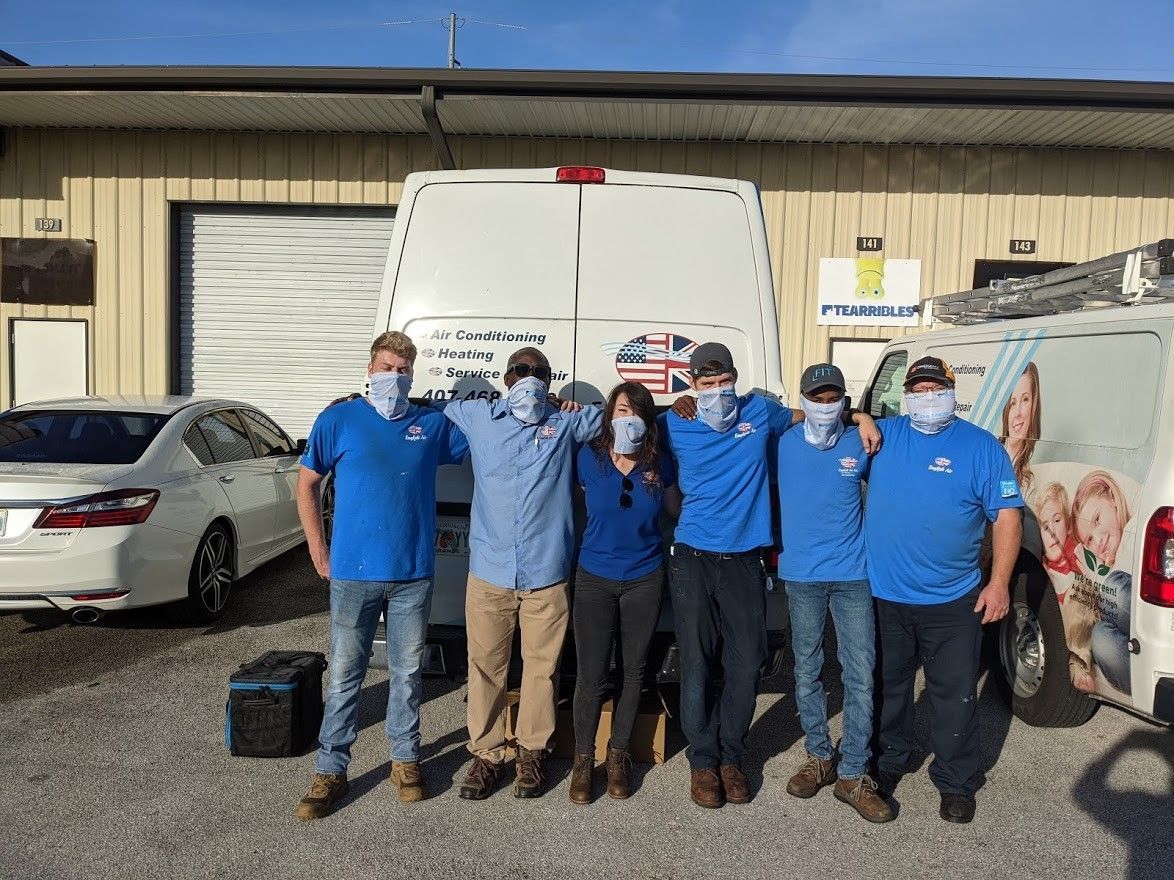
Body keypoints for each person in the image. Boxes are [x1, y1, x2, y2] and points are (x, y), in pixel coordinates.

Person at [662, 343, 880, 809]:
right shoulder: (675, 421)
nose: (717, 392)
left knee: (746, 665)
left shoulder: (761, 411)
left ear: (735, 378)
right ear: (692, 384)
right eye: (706, 385)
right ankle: (703, 763)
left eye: (724, 383)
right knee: (697, 663)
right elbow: (636, 447)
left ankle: (731, 757)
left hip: (744, 557)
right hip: (693, 556)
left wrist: (861, 416)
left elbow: (816, 413)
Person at [293, 331, 469, 821]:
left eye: (403, 370)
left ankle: (405, 759)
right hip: (352, 574)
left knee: (408, 673)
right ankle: (331, 768)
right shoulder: (339, 419)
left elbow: (488, 442)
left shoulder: (430, 425)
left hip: (413, 573)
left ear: (413, 376)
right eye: (387, 366)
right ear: (369, 369)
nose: (394, 376)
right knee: (347, 673)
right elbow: (306, 483)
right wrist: (317, 549)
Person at [865, 355, 1023, 825]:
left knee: (952, 693)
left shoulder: (981, 448)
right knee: (888, 688)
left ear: (952, 394)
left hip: (953, 599)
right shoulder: (883, 436)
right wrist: (858, 415)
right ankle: (889, 762)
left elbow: (1008, 518)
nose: (927, 397)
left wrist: (998, 584)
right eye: (918, 389)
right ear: (906, 396)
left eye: (936, 388)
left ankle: (955, 781)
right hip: (886, 595)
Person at [440, 347, 602, 801]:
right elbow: (421, 412)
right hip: (489, 573)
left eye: (540, 373)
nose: (530, 378)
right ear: (506, 377)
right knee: (485, 668)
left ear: (551, 382)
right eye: (522, 370)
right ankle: (488, 754)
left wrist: (581, 405)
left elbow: (622, 418)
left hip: (546, 572)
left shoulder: (566, 423)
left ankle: (532, 751)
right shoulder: (476, 416)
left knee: (542, 670)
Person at [776, 363, 893, 824]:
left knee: (860, 671)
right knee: (807, 667)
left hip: (853, 574)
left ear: (844, 400)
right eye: (817, 398)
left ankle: (852, 772)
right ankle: (819, 755)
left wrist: (863, 418)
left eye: (833, 398)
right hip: (802, 574)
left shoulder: (860, 441)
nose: (825, 406)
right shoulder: (781, 443)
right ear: (804, 400)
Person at [568, 382, 681, 805]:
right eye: (619, 410)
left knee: (633, 672)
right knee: (591, 673)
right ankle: (583, 759)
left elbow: (677, 510)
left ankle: (617, 756)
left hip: (644, 577)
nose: (626, 418)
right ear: (608, 417)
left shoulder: (661, 464)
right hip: (594, 577)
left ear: (648, 420)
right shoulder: (588, 459)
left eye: (634, 411)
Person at [1071, 470, 1133, 696]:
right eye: (1089, 540)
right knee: (1100, 637)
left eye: (1097, 519)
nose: (1098, 540)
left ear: (1114, 500)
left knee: (1112, 589)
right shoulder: (1110, 559)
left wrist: (1100, 578)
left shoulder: (1135, 529)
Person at [999, 362, 1040, 494]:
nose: (1018, 413)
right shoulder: (989, 452)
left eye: (1025, 400)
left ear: (1034, 406)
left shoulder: (1029, 482)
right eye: (1013, 402)